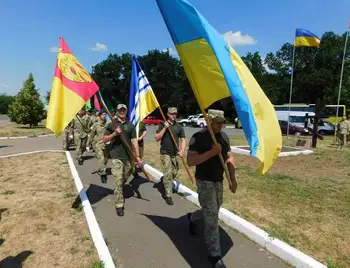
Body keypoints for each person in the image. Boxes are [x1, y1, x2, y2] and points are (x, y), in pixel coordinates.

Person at [186, 109, 237, 268]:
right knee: (212, 216)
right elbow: (190, 161)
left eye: (223, 122)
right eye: (218, 122)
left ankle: (193, 218)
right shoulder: (199, 137)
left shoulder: (223, 136)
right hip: (204, 180)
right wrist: (212, 152)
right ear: (209, 121)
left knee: (212, 209)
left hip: (218, 180)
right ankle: (214, 256)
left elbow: (229, 157)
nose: (221, 125)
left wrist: (233, 178)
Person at [103, 104, 142, 217]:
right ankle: (119, 205)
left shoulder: (130, 125)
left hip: (128, 158)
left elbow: (134, 141)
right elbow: (104, 139)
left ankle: (119, 186)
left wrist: (138, 157)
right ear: (117, 111)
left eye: (124, 110)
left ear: (126, 111)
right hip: (117, 156)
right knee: (119, 181)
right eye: (120, 110)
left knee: (125, 176)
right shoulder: (112, 125)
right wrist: (115, 133)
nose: (122, 112)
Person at [155, 107, 186, 206]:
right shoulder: (162, 124)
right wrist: (165, 127)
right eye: (172, 113)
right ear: (167, 114)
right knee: (168, 173)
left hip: (174, 153)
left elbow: (183, 139)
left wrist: (182, 150)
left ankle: (165, 180)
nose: (174, 115)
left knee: (174, 171)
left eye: (175, 113)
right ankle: (168, 195)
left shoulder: (179, 126)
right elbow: (157, 138)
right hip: (165, 152)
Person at [90, 110, 109, 183]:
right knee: (101, 158)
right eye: (103, 114)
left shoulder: (109, 124)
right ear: (100, 116)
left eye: (105, 114)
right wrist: (88, 143)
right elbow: (92, 134)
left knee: (106, 159)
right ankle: (103, 175)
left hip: (107, 144)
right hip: (98, 144)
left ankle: (101, 169)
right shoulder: (96, 124)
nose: (104, 116)